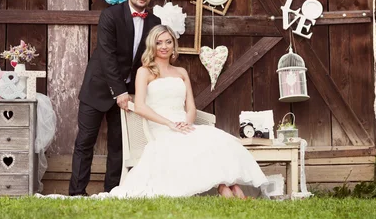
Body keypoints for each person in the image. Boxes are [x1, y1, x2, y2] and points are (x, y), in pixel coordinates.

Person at [108, 25, 269, 198]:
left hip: (184, 125)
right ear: (152, 45)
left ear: (174, 45)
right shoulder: (144, 71)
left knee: (215, 139)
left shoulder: (181, 72)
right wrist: (170, 124)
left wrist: (187, 123)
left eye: (168, 42)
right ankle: (227, 190)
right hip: (162, 128)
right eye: (159, 42)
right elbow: (139, 106)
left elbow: (190, 107)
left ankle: (230, 187)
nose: (164, 46)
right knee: (196, 144)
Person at [69, 0, 161, 196]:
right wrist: (119, 90)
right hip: (98, 88)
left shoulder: (155, 22)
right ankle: (77, 193)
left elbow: (148, 59)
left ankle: (112, 192)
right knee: (85, 141)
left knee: (119, 145)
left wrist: (135, 92)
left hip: (127, 95)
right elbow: (107, 55)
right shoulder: (110, 15)